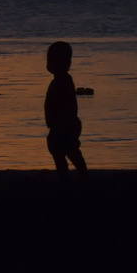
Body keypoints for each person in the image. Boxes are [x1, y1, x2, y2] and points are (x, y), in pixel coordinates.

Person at [44, 40, 88, 179]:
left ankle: (79, 177)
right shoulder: (61, 81)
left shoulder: (63, 81)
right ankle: (71, 177)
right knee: (61, 152)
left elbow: (65, 105)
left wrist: (59, 122)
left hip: (64, 124)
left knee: (69, 151)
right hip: (60, 124)